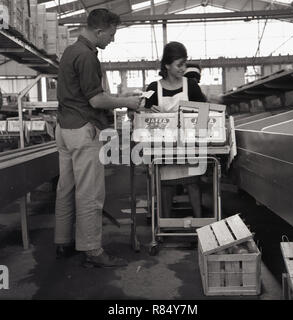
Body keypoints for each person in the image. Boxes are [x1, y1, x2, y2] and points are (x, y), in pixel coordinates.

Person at [55, 9, 142, 267]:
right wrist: (128, 101)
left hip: (64, 129)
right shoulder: (87, 56)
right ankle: (92, 251)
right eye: (112, 34)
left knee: (66, 189)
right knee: (89, 193)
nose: (112, 40)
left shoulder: (70, 52)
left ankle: (63, 242)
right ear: (100, 31)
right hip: (83, 130)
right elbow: (96, 99)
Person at [145, 42, 208, 218]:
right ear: (167, 65)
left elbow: (204, 113)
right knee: (165, 184)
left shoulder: (191, 86)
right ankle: (163, 226)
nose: (183, 68)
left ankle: (199, 222)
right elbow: (139, 112)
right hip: (163, 149)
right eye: (179, 64)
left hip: (189, 146)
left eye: (184, 64)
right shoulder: (153, 88)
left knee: (193, 183)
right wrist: (148, 112)